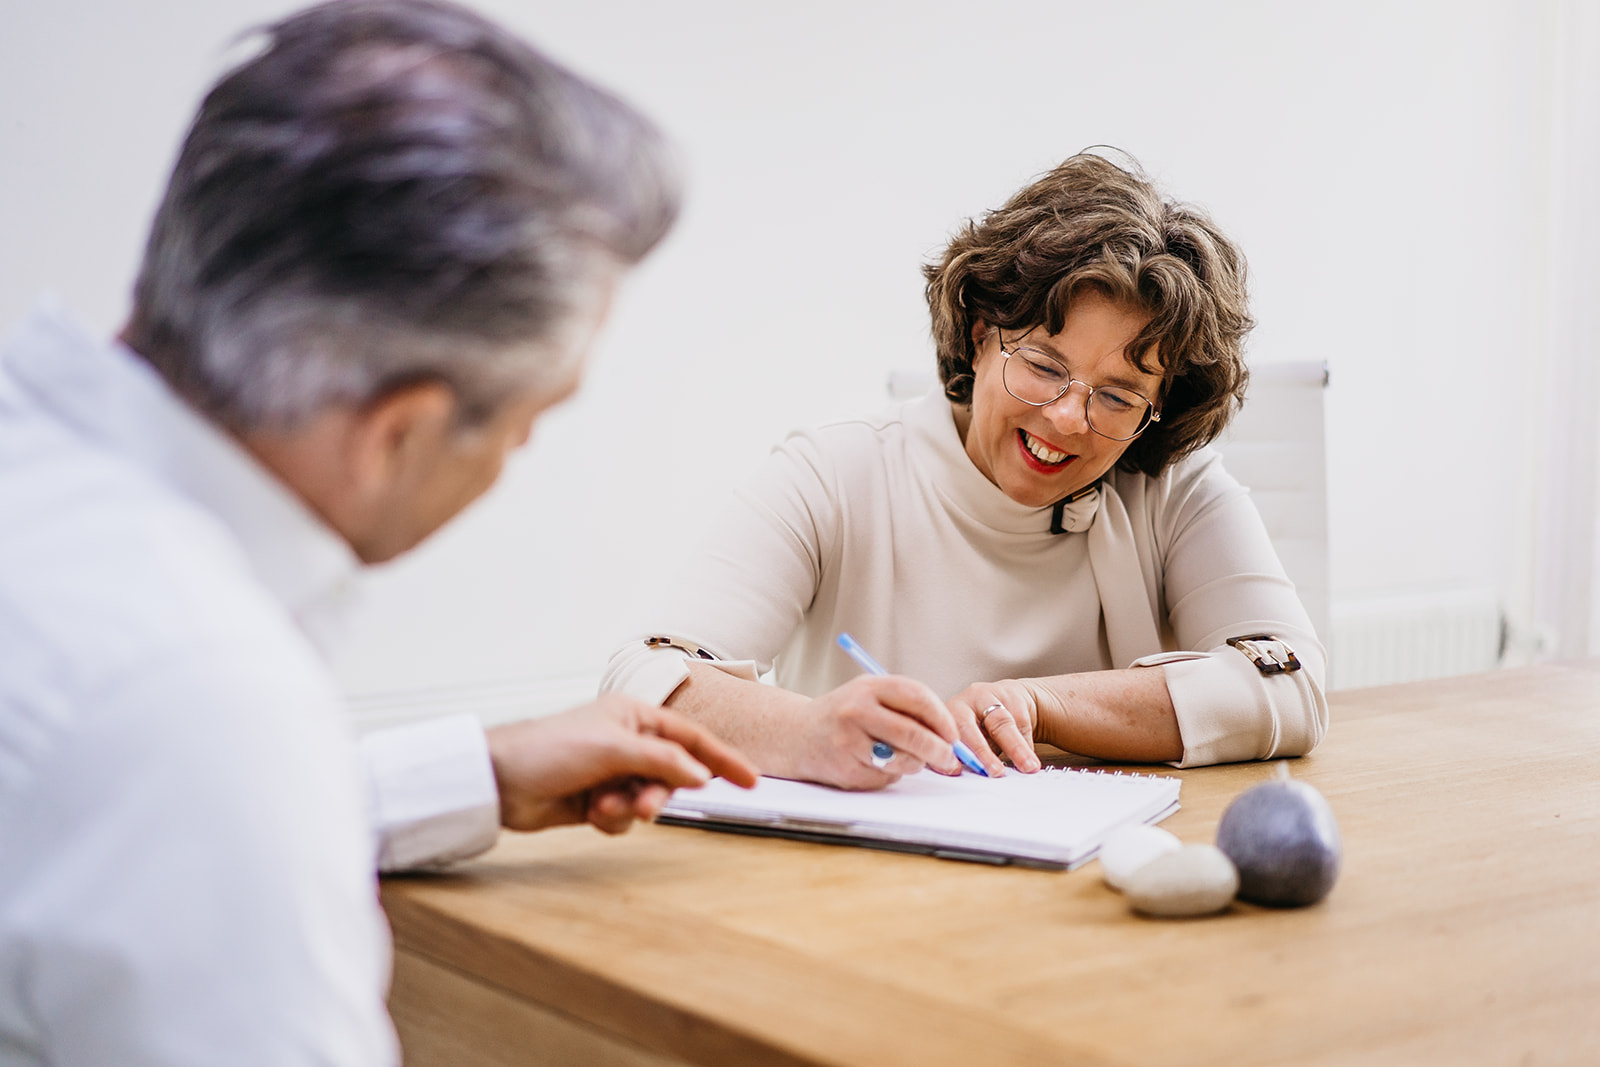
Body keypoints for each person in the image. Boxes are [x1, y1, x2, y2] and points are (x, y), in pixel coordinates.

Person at [0, 2, 756, 1063]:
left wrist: (468, 772)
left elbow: (92, 832)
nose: (519, 455)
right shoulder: (188, 692)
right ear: (397, 431)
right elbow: (176, 771)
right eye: (535, 418)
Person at [603, 152, 1327, 789]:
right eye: (1045, 366)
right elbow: (642, 680)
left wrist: (1039, 705)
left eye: (1118, 396)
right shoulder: (835, 475)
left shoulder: (1172, 489)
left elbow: (1294, 686)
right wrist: (808, 729)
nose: (1070, 418)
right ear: (981, 336)